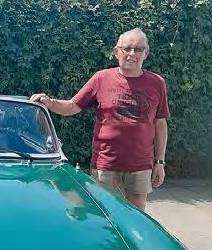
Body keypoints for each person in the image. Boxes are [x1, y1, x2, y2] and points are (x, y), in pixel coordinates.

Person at [31, 28, 169, 210]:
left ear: (146, 53)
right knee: (104, 213)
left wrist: (160, 162)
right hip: (105, 164)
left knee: (135, 216)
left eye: (138, 49)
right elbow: (72, 106)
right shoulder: (101, 78)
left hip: (140, 165)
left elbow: (160, 124)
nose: (131, 54)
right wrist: (49, 102)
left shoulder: (157, 83)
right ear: (116, 52)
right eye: (126, 49)